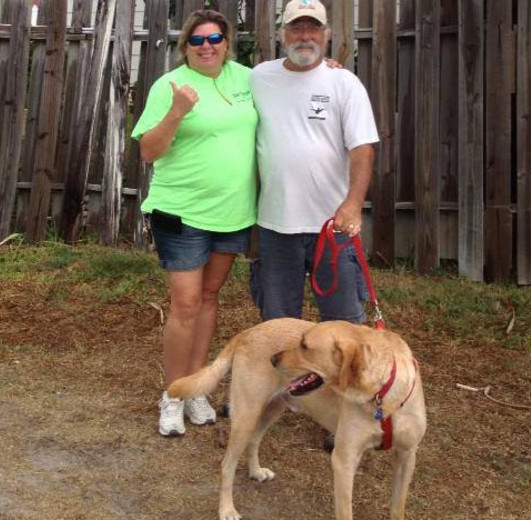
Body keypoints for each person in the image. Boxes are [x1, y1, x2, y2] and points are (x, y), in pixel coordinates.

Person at [131, 10, 257, 437]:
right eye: (197, 40)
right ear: (185, 46)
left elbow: (292, 82)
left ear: (227, 42)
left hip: (233, 212)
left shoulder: (247, 80)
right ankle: (172, 394)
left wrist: (327, 69)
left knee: (208, 297)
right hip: (182, 212)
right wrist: (177, 112)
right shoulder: (169, 86)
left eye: (215, 38)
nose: (207, 46)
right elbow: (149, 151)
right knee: (185, 304)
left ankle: (198, 388)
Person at [250, 0, 379, 326]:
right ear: (282, 35)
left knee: (344, 324)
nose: (304, 36)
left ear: (327, 35)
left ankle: (342, 379)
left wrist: (353, 204)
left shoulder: (344, 83)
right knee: (278, 324)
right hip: (276, 224)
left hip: (332, 225)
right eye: (296, 27)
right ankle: (286, 379)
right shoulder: (258, 78)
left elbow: (362, 148)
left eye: (313, 28)